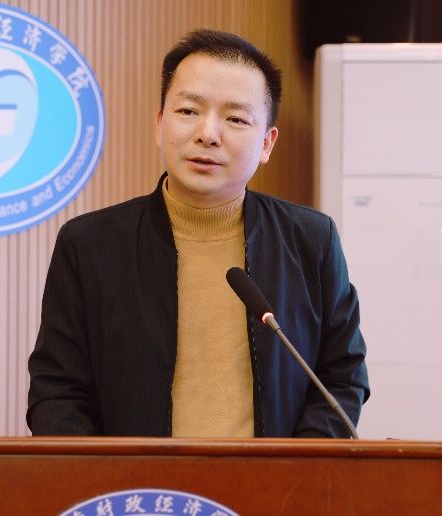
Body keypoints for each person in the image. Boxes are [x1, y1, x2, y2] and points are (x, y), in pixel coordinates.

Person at [27, 29, 368, 438]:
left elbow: (342, 375)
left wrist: (297, 466)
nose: (208, 133)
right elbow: (57, 392)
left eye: (236, 118)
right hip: (133, 480)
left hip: (275, 479)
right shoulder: (90, 245)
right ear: (160, 124)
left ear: (267, 143)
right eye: (188, 111)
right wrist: (104, 474)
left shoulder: (311, 240)